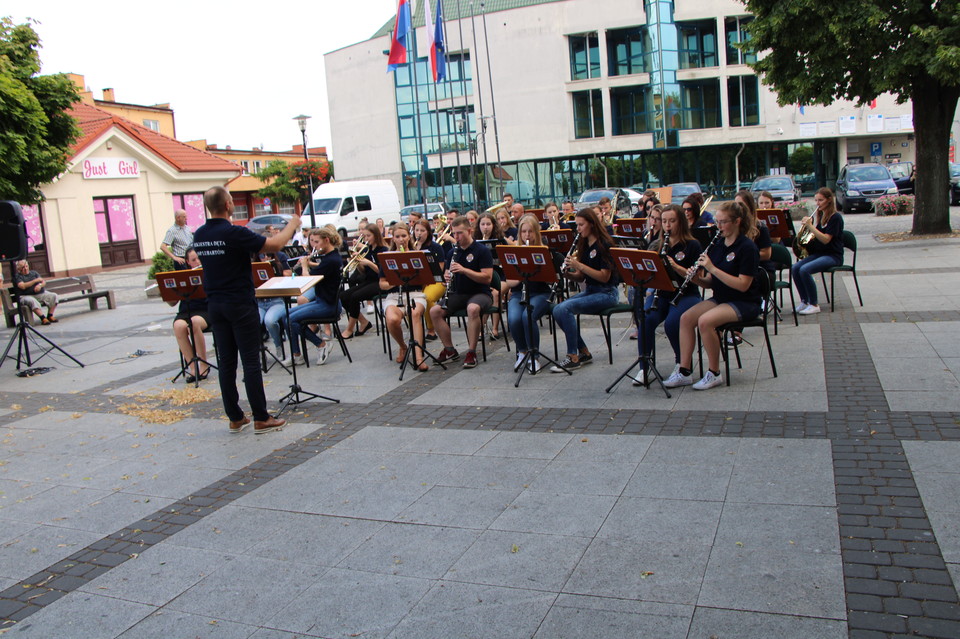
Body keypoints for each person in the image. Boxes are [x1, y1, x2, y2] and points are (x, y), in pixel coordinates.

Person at [193, 186, 299, 434]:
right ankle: (261, 417)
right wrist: (292, 224)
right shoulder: (233, 233)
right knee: (251, 360)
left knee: (226, 362)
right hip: (239, 302)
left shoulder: (199, 234)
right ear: (229, 205)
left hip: (215, 304)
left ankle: (235, 417)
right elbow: (274, 245)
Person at [666, 200, 760, 390]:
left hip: (744, 301)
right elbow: (710, 282)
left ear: (737, 222)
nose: (718, 227)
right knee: (686, 318)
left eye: (723, 222)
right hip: (722, 298)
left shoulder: (747, 247)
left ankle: (714, 373)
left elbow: (743, 285)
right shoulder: (718, 244)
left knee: (705, 322)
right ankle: (684, 371)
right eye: (717, 222)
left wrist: (712, 268)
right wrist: (694, 278)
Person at [632, 205, 701, 385]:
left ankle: (682, 367)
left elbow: (698, 278)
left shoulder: (692, 245)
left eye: (672, 221)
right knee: (645, 320)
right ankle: (644, 367)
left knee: (672, 323)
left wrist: (675, 266)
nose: (667, 226)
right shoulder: (658, 245)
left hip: (687, 295)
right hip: (662, 294)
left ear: (681, 222)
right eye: (664, 221)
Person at [549, 208, 619, 372]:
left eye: (581, 225)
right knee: (557, 309)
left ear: (592, 225)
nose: (578, 229)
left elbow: (604, 277)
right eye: (577, 225)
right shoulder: (585, 244)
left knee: (565, 308)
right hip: (592, 289)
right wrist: (568, 274)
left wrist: (579, 265)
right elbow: (582, 277)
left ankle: (573, 357)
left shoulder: (605, 245)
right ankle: (584, 352)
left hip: (607, 292)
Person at [429, 216, 494, 369]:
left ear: (469, 231)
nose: (456, 237)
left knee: (472, 309)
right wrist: (446, 278)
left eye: (459, 233)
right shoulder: (452, 253)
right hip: (458, 293)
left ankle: (471, 351)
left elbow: (487, 278)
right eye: (454, 233)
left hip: (480, 293)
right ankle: (450, 349)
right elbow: (446, 275)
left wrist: (465, 271)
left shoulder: (482, 251)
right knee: (434, 311)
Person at [283, 227, 343, 366]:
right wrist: (309, 263)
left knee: (291, 320)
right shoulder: (329, 257)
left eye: (316, 242)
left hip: (329, 305)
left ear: (326, 240)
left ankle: (321, 345)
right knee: (285, 316)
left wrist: (304, 266)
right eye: (311, 242)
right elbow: (320, 271)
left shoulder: (331, 260)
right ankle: (296, 355)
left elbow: (307, 282)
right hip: (322, 300)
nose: (313, 246)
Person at [379, 223, 430, 370]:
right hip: (395, 295)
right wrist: (394, 282)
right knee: (392, 319)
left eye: (404, 236)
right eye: (397, 237)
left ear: (409, 237)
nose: (401, 239)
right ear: (393, 239)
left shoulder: (417, 255)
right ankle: (403, 346)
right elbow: (382, 284)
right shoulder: (386, 258)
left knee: (415, 314)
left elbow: (426, 279)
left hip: (415, 294)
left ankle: (418, 356)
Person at [505, 214, 552, 372]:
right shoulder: (514, 251)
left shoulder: (543, 250)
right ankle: (523, 351)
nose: (527, 235)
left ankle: (534, 355)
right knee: (514, 318)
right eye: (523, 232)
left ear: (536, 233)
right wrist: (520, 273)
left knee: (527, 316)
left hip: (540, 292)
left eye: (530, 231)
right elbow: (510, 282)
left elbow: (551, 279)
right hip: (519, 293)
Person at [792, 187, 844, 315]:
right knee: (795, 268)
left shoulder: (835, 218)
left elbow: (826, 239)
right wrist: (805, 231)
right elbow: (815, 239)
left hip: (833, 255)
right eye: (816, 200)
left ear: (829, 200)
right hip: (820, 253)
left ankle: (814, 304)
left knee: (805, 270)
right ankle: (804, 300)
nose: (817, 203)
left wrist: (810, 226)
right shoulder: (821, 215)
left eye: (820, 200)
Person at [167, 248, 210, 383]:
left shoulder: (208, 273)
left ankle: (204, 364)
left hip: (205, 310)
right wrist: (166, 291)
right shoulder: (182, 276)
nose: (197, 262)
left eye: (199, 258)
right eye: (193, 260)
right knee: (178, 326)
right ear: (187, 262)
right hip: (185, 310)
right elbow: (172, 303)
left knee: (194, 323)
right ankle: (192, 367)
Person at [340, 224, 387, 338]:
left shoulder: (383, 250)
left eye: (368, 236)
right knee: (343, 296)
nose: (366, 239)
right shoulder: (367, 250)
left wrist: (368, 263)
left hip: (380, 282)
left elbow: (382, 271)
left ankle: (350, 329)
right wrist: (358, 262)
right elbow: (363, 272)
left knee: (355, 296)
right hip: (369, 281)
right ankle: (364, 322)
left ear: (376, 235)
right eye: (364, 236)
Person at [412, 218, 446, 342]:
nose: (419, 233)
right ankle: (416, 329)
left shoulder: (436, 247)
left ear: (428, 232)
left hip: (436, 281)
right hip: (417, 281)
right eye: (416, 230)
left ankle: (431, 330)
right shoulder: (411, 246)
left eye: (422, 230)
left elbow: (440, 268)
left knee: (427, 297)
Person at [13, 260, 59, 325]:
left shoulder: (34, 273)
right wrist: (35, 281)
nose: (25, 268)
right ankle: (43, 318)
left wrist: (40, 285)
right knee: (32, 301)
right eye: (23, 267)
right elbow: (22, 286)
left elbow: (43, 282)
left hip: (40, 294)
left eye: (26, 266)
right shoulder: (17, 276)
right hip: (25, 295)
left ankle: (50, 315)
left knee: (54, 296)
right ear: (18, 269)